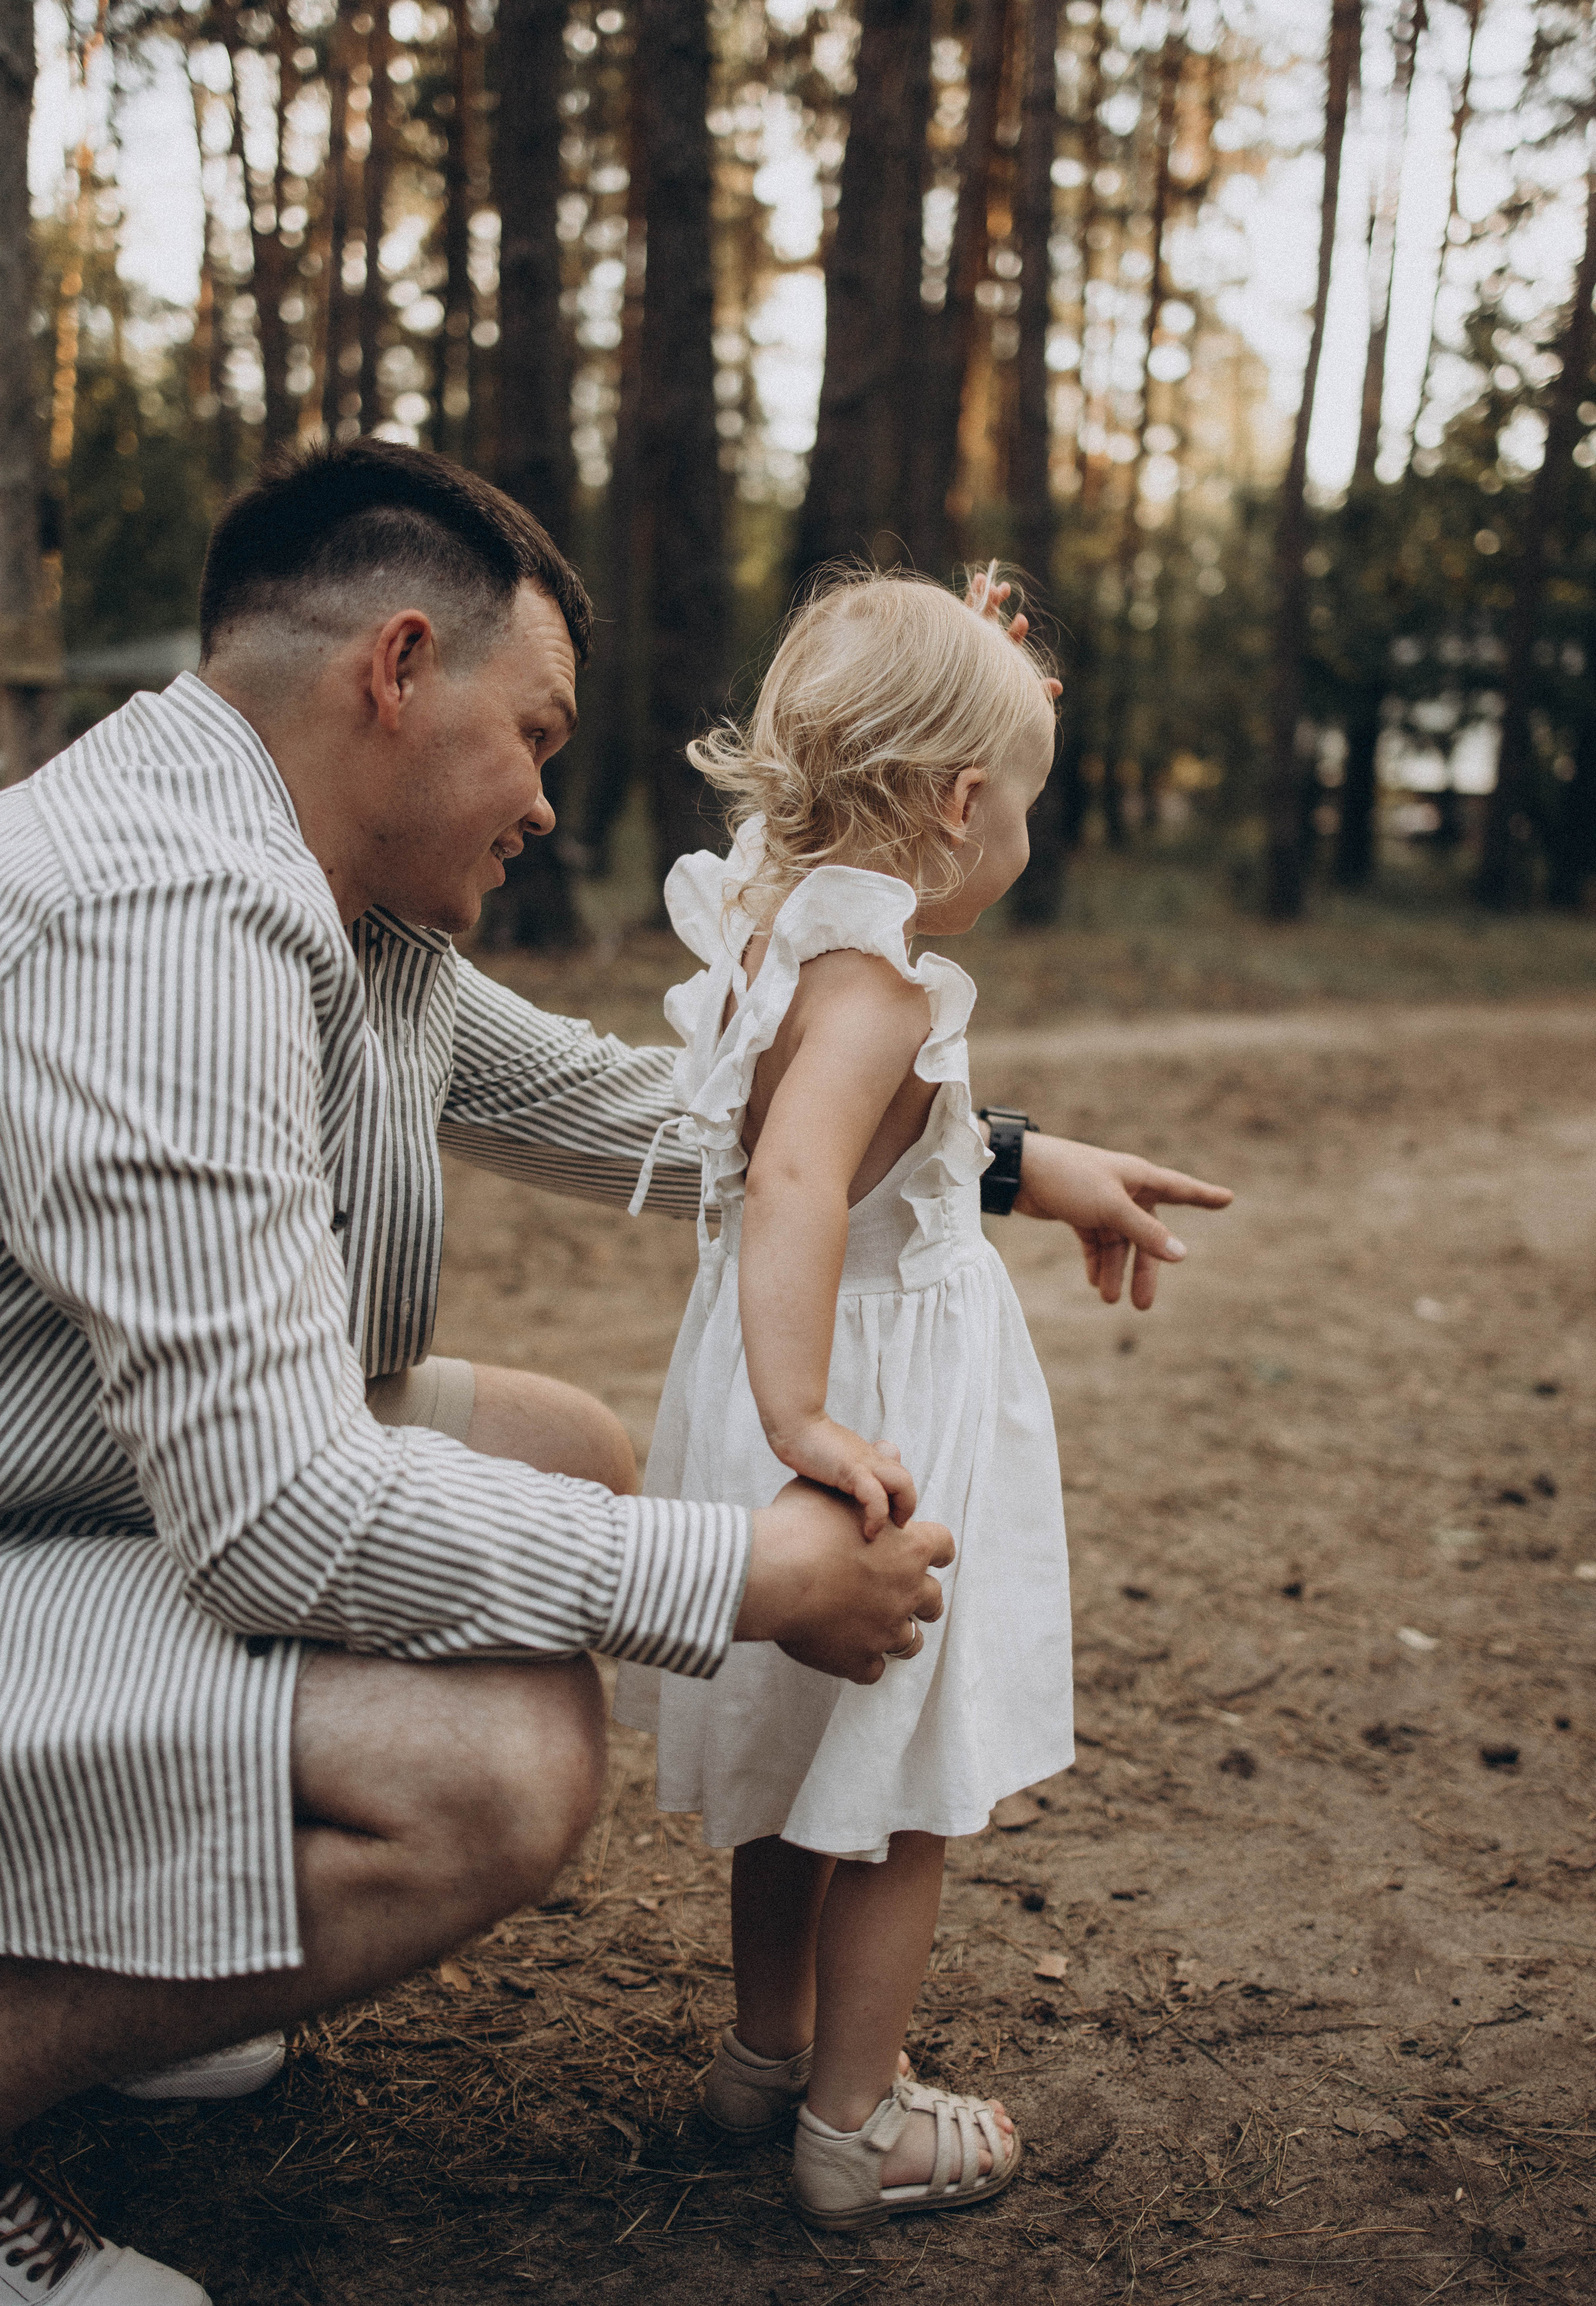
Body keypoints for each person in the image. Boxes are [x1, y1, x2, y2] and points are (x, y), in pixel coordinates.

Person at [0, 445, 1225, 2299]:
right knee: (496, 1768)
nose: (553, 805)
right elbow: (278, 1522)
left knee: (571, 1450)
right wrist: (752, 1580)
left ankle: (132, 1973)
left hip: (57, 1480)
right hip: (60, 1523)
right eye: (538, 736)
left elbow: (684, 1116)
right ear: (396, 670)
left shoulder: (327, 891)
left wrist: (1001, 1156)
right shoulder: (156, 917)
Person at [615, 570, 1204, 2231]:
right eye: (1018, 797)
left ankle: (765, 2055)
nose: (1021, 828)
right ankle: (856, 2127)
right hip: (876, 1390)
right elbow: (807, 1174)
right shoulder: (879, 986)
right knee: (897, 1780)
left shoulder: (771, 925)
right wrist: (807, 1416)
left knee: (804, 1758)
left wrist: (1048, 1176)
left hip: (781, 1364)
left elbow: (861, 1161)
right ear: (961, 805)